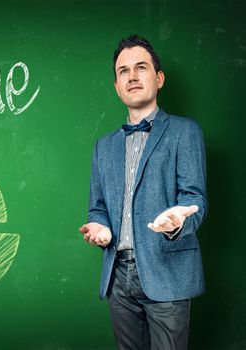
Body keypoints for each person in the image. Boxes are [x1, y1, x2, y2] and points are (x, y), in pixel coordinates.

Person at [79, 34, 208, 350]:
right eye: (123, 71)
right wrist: (101, 228)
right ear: (116, 85)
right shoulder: (103, 147)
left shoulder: (185, 132)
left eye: (141, 67)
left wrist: (179, 219)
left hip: (167, 271)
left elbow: (195, 200)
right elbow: (98, 207)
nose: (132, 76)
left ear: (159, 78)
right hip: (117, 276)